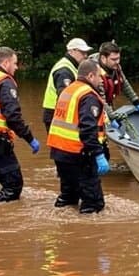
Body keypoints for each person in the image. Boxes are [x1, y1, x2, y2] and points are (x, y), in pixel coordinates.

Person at [0, 47, 40, 202]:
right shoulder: (4, 81)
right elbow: (13, 116)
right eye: (15, 63)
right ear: (6, 62)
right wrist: (30, 138)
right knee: (13, 184)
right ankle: (3, 220)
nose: (16, 67)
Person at [46, 57, 110, 213]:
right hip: (79, 155)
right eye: (98, 76)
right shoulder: (88, 96)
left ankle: (64, 230)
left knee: (68, 197)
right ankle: (87, 235)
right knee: (94, 204)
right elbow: (88, 129)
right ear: (90, 76)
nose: (101, 81)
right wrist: (98, 154)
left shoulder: (69, 90)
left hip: (59, 152)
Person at [41, 37, 92, 133]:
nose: (86, 55)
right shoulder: (64, 70)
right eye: (82, 52)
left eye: (86, 52)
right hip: (56, 114)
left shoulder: (72, 66)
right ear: (72, 51)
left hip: (59, 113)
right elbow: (65, 96)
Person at [97, 41, 139, 122]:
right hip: (96, 108)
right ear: (103, 58)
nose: (117, 62)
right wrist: (111, 117)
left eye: (118, 58)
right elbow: (101, 99)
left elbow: (124, 84)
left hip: (108, 104)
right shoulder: (95, 73)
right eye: (114, 59)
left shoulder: (116, 67)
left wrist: (135, 100)